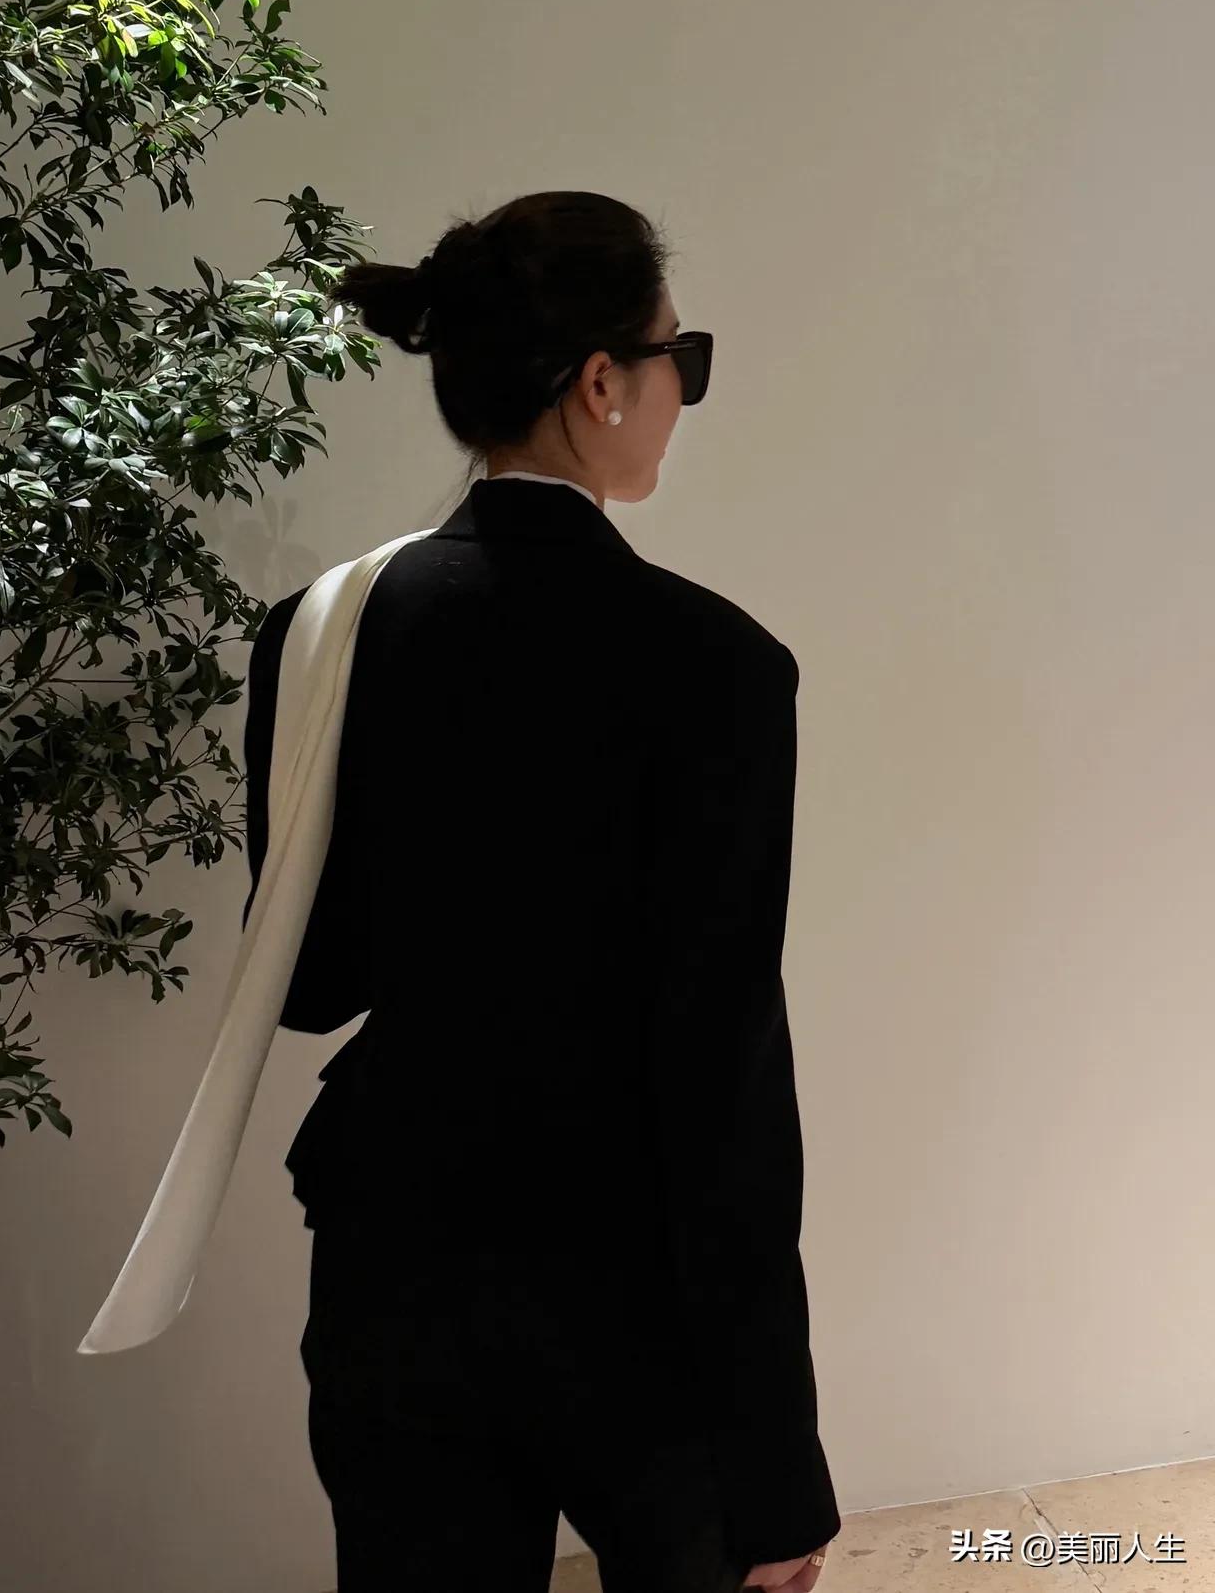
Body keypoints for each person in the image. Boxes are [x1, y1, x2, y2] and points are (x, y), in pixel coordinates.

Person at [241, 190, 841, 1593]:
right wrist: (775, 1463)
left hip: (397, 1253)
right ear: (600, 384)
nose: (683, 396)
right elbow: (725, 1077)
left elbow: (311, 984)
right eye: (681, 361)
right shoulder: (719, 667)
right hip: (634, 1283)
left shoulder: (317, 631)